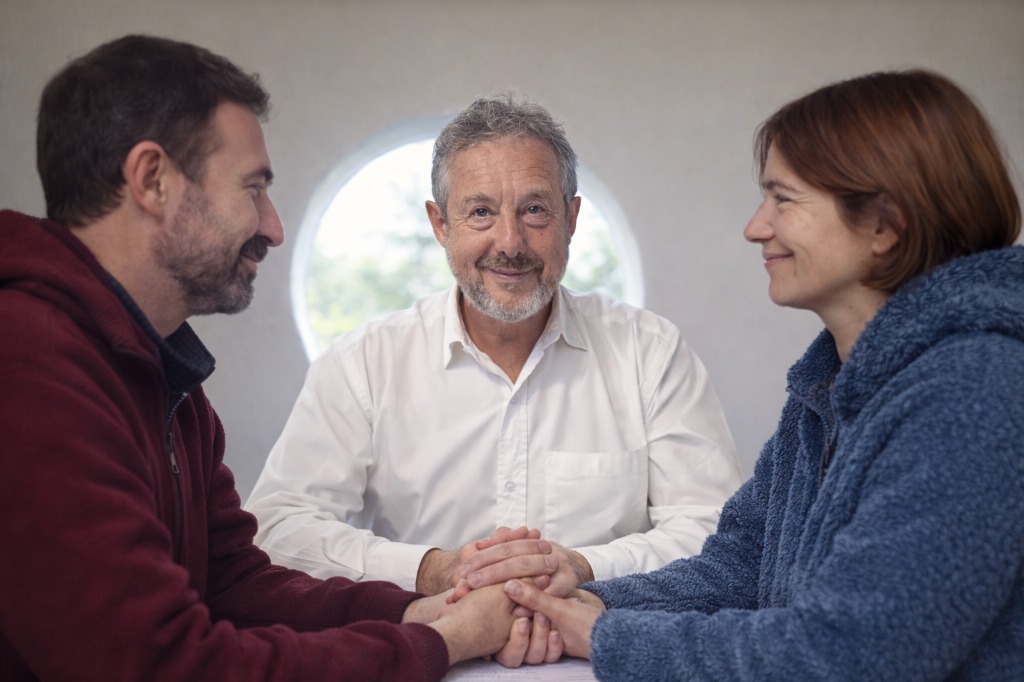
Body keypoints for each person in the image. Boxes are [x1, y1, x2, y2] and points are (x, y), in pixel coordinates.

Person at [0, 34, 518, 682]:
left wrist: (417, 611)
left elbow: (235, 586)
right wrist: (435, 645)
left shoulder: (166, 380)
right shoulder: (29, 368)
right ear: (152, 180)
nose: (273, 226)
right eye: (253, 188)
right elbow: (163, 665)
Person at [499, 69, 1024, 679]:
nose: (756, 227)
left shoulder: (974, 393)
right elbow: (741, 567)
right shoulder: (826, 390)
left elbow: (846, 657)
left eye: (784, 199)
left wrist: (609, 634)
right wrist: (586, 604)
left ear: (884, 223)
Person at [244, 94, 743, 599]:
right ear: (441, 225)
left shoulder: (650, 354)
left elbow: (719, 534)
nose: (509, 242)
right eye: (480, 212)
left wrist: (583, 567)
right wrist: (431, 570)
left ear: (571, 219)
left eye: (534, 210)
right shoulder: (363, 365)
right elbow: (278, 527)